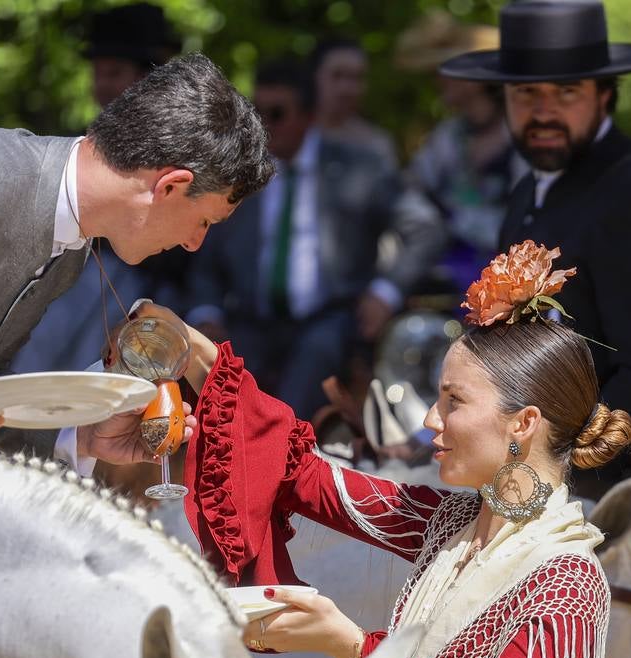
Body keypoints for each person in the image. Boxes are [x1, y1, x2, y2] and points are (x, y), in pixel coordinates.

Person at [179, 240, 631, 658]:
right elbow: (305, 479)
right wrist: (200, 359)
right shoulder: (446, 524)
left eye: (452, 401)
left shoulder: (565, 581)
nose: (429, 421)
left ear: (523, 423)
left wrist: (348, 646)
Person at [0, 52, 272, 464]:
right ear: (170, 187)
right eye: (203, 221)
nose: (195, 243)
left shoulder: (71, 245)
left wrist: (79, 437)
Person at [441, 0, 631, 497]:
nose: (543, 110)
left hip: (606, 492)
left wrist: (557, 477)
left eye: (567, 91)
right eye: (525, 92)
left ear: (604, 96)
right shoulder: (528, 194)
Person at [186, 58, 443, 419]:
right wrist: (206, 311)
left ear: (308, 116)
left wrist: (385, 293)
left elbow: (424, 227)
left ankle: (281, 466)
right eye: (255, 113)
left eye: (276, 113)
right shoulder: (235, 171)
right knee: (221, 389)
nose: (262, 126)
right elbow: (204, 254)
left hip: (329, 319)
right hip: (249, 319)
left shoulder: (358, 168)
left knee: (300, 386)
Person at [13, 2, 190, 374]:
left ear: (146, 78)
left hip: (153, 287)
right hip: (73, 274)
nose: (104, 85)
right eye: (98, 73)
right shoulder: (86, 140)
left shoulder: (183, 144)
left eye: (115, 72)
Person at [396, 10, 526, 293]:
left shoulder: (521, 134)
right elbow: (412, 188)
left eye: (444, 71)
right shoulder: (448, 136)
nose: (438, 80)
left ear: (472, 78)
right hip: (448, 275)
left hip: (509, 279)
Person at [310, 37, 397, 170]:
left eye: (357, 77)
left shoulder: (377, 145)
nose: (346, 89)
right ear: (313, 76)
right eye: (337, 75)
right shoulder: (288, 138)